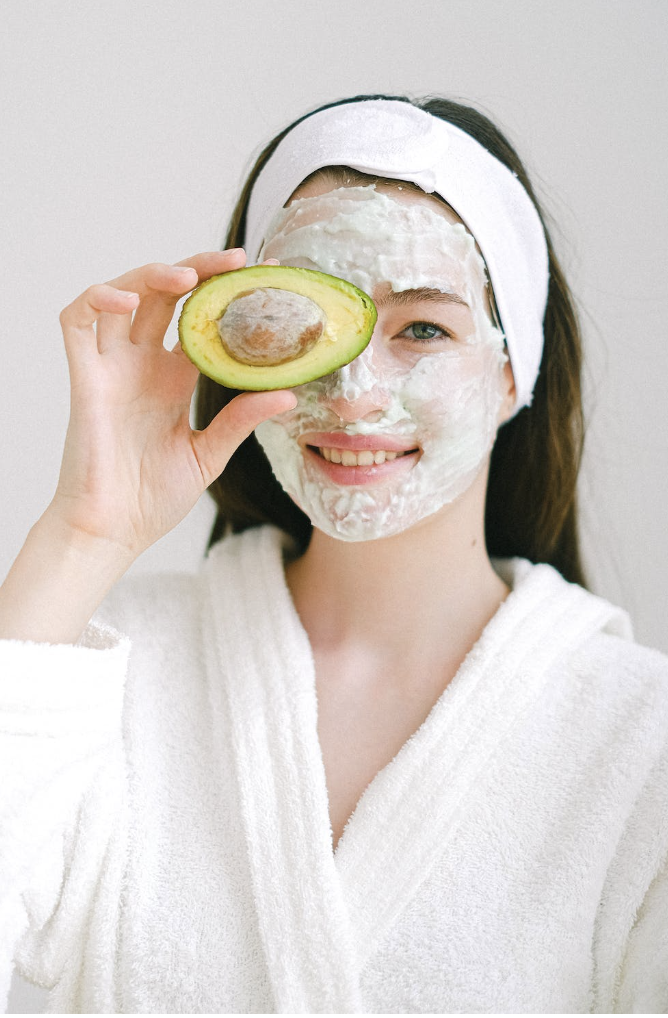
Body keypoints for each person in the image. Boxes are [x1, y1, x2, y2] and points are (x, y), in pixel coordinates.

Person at [1, 94, 666, 1015]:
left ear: (514, 368)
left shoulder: (642, 737)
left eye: (423, 329)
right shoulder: (109, 668)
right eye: (291, 324)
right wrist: (83, 536)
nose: (351, 392)